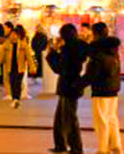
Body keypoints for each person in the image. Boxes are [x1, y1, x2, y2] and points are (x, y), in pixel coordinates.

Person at [78, 22, 121, 154]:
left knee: (101, 121)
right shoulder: (113, 50)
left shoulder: (97, 52)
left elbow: (91, 74)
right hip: (113, 89)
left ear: (95, 34)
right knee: (112, 119)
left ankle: (103, 149)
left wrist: (77, 85)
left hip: (101, 90)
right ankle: (116, 146)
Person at [47, 23, 88, 154]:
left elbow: (58, 68)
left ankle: (76, 147)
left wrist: (52, 54)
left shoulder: (69, 49)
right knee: (60, 118)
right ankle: (60, 145)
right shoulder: (78, 46)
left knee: (69, 118)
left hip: (68, 86)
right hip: (71, 85)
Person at [0, 24, 36, 108]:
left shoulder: (23, 45)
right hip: (10, 68)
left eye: (15, 34)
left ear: (18, 35)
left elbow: (29, 57)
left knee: (17, 83)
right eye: (12, 34)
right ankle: (15, 98)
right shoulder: (6, 45)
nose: (13, 36)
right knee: (12, 83)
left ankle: (16, 99)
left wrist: (32, 67)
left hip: (20, 68)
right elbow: (0, 56)